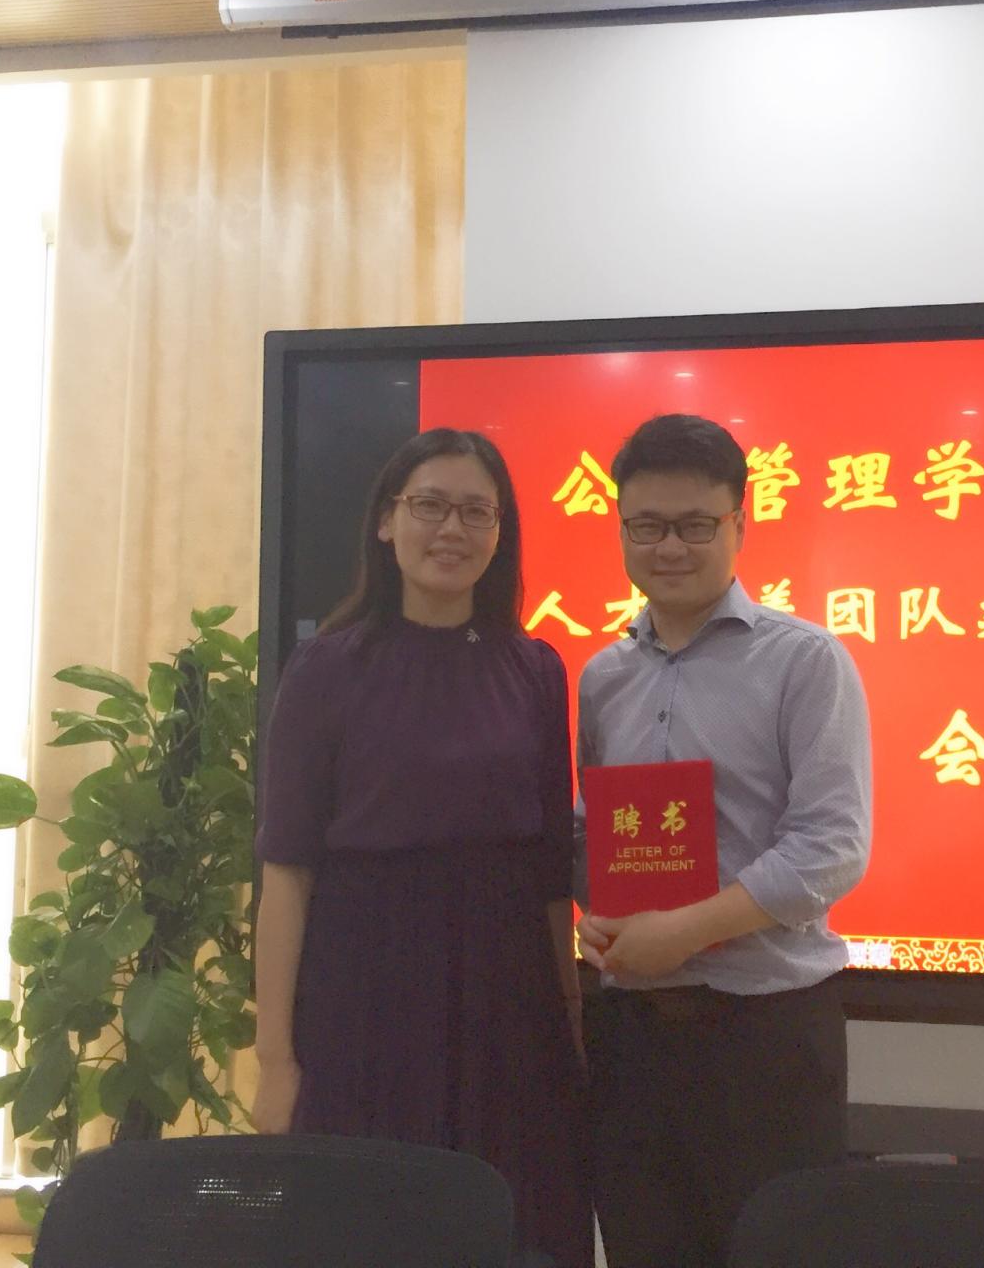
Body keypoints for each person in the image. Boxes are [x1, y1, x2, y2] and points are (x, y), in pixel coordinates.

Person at [252, 427, 589, 1268]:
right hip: (366, 995)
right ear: (385, 521)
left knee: (511, 1226)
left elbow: (551, 871)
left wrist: (570, 1016)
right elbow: (286, 872)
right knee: (370, 1228)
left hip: (509, 999)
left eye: (477, 512)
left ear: (501, 533)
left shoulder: (536, 669)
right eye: (430, 505)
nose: (452, 529)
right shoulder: (326, 669)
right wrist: (275, 1060)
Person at [575, 413, 874, 1268]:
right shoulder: (602, 677)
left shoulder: (805, 661)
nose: (669, 547)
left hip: (765, 1038)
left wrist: (686, 929)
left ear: (740, 523)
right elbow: (599, 830)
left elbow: (830, 846)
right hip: (632, 1038)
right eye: (646, 526)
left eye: (695, 525)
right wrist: (598, 916)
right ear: (621, 529)